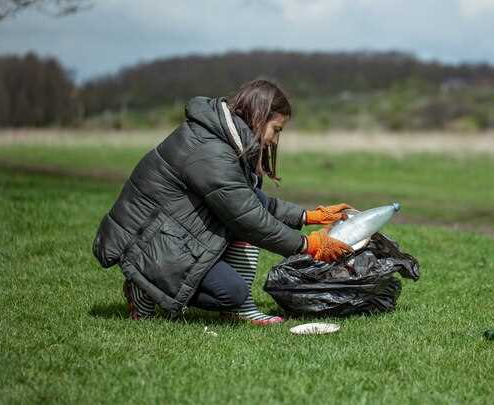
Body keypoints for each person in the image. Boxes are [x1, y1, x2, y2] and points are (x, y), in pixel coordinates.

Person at [92, 79, 353, 325]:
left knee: (240, 240)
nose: (275, 139)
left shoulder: (222, 139)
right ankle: (143, 286)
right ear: (259, 117)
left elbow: (251, 201)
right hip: (150, 245)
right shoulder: (212, 150)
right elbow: (249, 218)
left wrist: (308, 216)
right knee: (230, 294)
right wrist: (308, 245)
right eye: (276, 130)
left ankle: (201, 297)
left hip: (169, 235)